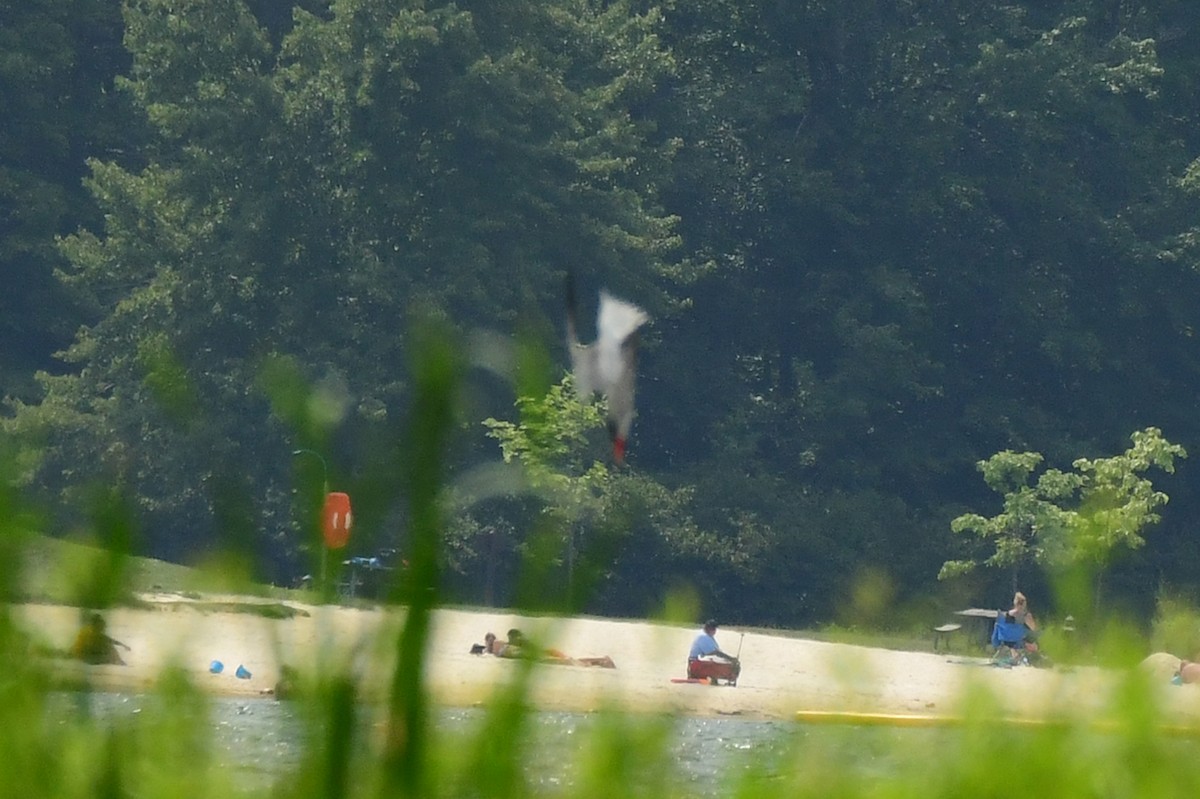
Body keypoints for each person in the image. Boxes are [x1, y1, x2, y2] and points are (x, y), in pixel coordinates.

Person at [687, 619, 740, 684]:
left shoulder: (709, 637)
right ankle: (718, 678)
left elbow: (717, 651)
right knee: (723, 665)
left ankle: (715, 679)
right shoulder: (703, 637)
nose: (715, 631)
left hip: (701, 662)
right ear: (709, 628)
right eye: (714, 629)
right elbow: (715, 652)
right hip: (696, 664)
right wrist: (730, 659)